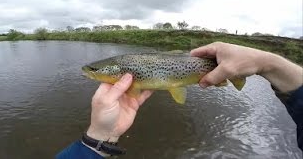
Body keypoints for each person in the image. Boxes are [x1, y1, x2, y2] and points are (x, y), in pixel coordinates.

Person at [56, 42, 303, 158]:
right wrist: (269, 63)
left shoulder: (124, 70)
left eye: (94, 70)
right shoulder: (122, 70)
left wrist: (96, 139)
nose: (90, 73)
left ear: (119, 74)